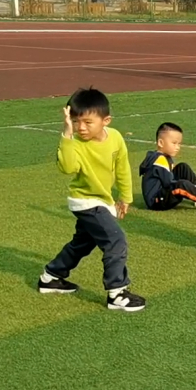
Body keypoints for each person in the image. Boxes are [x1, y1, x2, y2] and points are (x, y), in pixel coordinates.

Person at [37, 88, 145, 312]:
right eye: (76, 122)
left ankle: (51, 277)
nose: (81, 128)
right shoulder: (74, 142)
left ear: (106, 121)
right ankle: (117, 293)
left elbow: (122, 168)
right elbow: (67, 168)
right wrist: (67, 135)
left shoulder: (115, 138)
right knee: (116, 240)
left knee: (82, 244)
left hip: (103, 200)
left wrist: (125, 197)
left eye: (87, 122)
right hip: (85, 202)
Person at [139, 122, 196, 211]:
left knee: (183, 167)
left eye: (179, 144)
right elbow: (169, 183)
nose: (177, 147)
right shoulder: (160, 160)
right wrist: (186, 186)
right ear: (161, 143)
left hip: (162, 192)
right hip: (156, 201)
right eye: (174, 143)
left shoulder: (163, 157)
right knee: (181, 184)